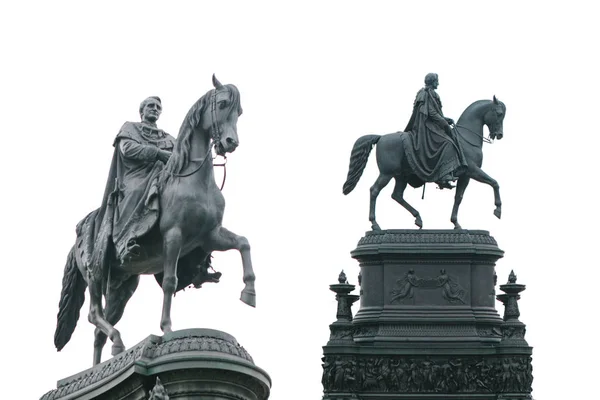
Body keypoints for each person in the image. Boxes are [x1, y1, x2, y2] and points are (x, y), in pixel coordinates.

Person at [98, 96, 176, 263]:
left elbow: (182, 156)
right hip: (137, 175)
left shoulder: (170, 138)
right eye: (150, 105)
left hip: (164, 175)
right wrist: (158, 153)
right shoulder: (130, 128)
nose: (154, 108)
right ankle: (124, 241)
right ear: (142, 111)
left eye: (157, 107)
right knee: (136, 191)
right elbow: (127, 149)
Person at [403, 73, 468, 189]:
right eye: (436, 81)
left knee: (449, 138)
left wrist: (446, 120)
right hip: (425, 126)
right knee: (447, 143)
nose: (438, 83)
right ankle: (444, 175)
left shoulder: (433, 94)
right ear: (432, 81)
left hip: (432, 123)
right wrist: (444, 123)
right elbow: (431, 113)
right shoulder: (425, 94)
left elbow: (437, 113)